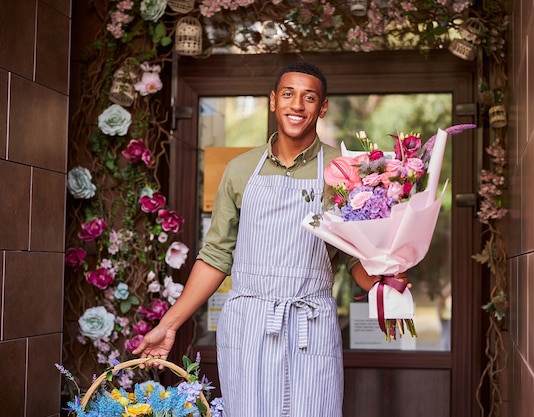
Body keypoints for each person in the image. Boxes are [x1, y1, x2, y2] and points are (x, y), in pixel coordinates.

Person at [133, 61, 408, 416]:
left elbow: (356, 255)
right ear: (273, 101)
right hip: (248, 322)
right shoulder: (241, 169)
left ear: (322, 107)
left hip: (312, 321)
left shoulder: (342, 171)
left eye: (309, 97)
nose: (297, 105)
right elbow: (216, 256)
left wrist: (387, 285)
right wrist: (168, 325)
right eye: (288, 94)